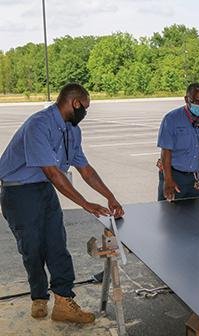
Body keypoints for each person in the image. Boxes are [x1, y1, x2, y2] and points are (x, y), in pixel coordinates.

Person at [0, 83, 124, 323]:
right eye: (85, 108)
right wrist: (87, 204)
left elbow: (85, 170)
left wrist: (110, 196)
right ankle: (39, 296)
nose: (85, 113)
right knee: (32, 247)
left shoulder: (72, 130)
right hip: (19, 193)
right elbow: (53, 173)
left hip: (44, 190)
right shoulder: (39, 125)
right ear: (75, 103)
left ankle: (64, 302)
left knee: (57, 244)